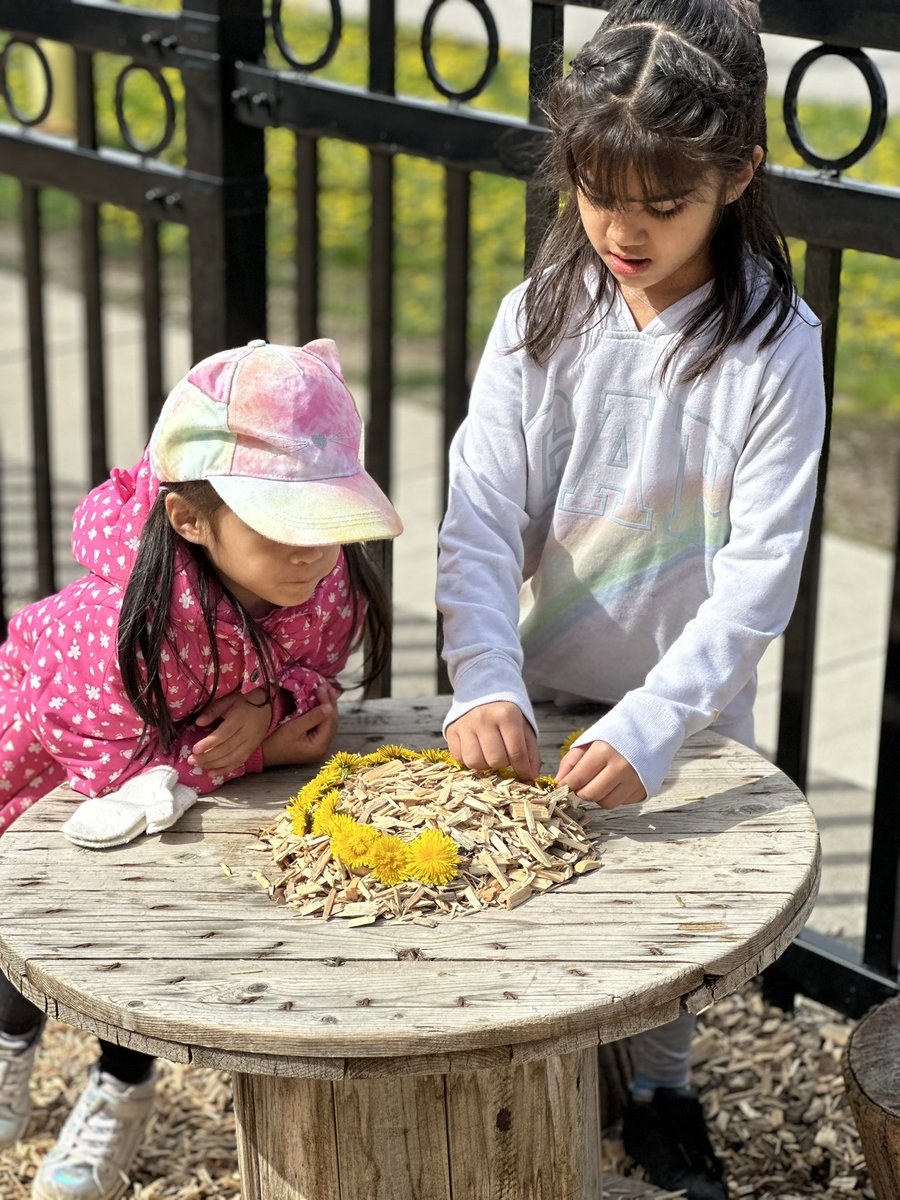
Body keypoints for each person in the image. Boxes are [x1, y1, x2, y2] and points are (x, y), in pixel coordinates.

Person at [436, 2, 824, 1197]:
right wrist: (482, 673)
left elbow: (760, 580)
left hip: (689, 712)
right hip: (542, 682)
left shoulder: (774, 345)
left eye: (664, 206)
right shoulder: (540, 316)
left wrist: (656, 724)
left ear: (739, 173)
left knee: (669, 938)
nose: (623, 231)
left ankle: (660, 1092)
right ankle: (530, 1094)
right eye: (599, 197)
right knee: (525, 912)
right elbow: (481, 513)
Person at [0, 337, 402, 1200]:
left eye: (330, 522)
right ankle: (9, 1051)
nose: (313, 553)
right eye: (284, 525)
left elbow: (313, 673)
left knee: (147, 936)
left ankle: (121, 1086)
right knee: (19, 935)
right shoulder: (113, 625)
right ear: (190, 517)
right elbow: (106, 771)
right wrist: (253, 749)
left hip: (173, 778)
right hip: (46, 774)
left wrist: (273, 701)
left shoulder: (316, 582)